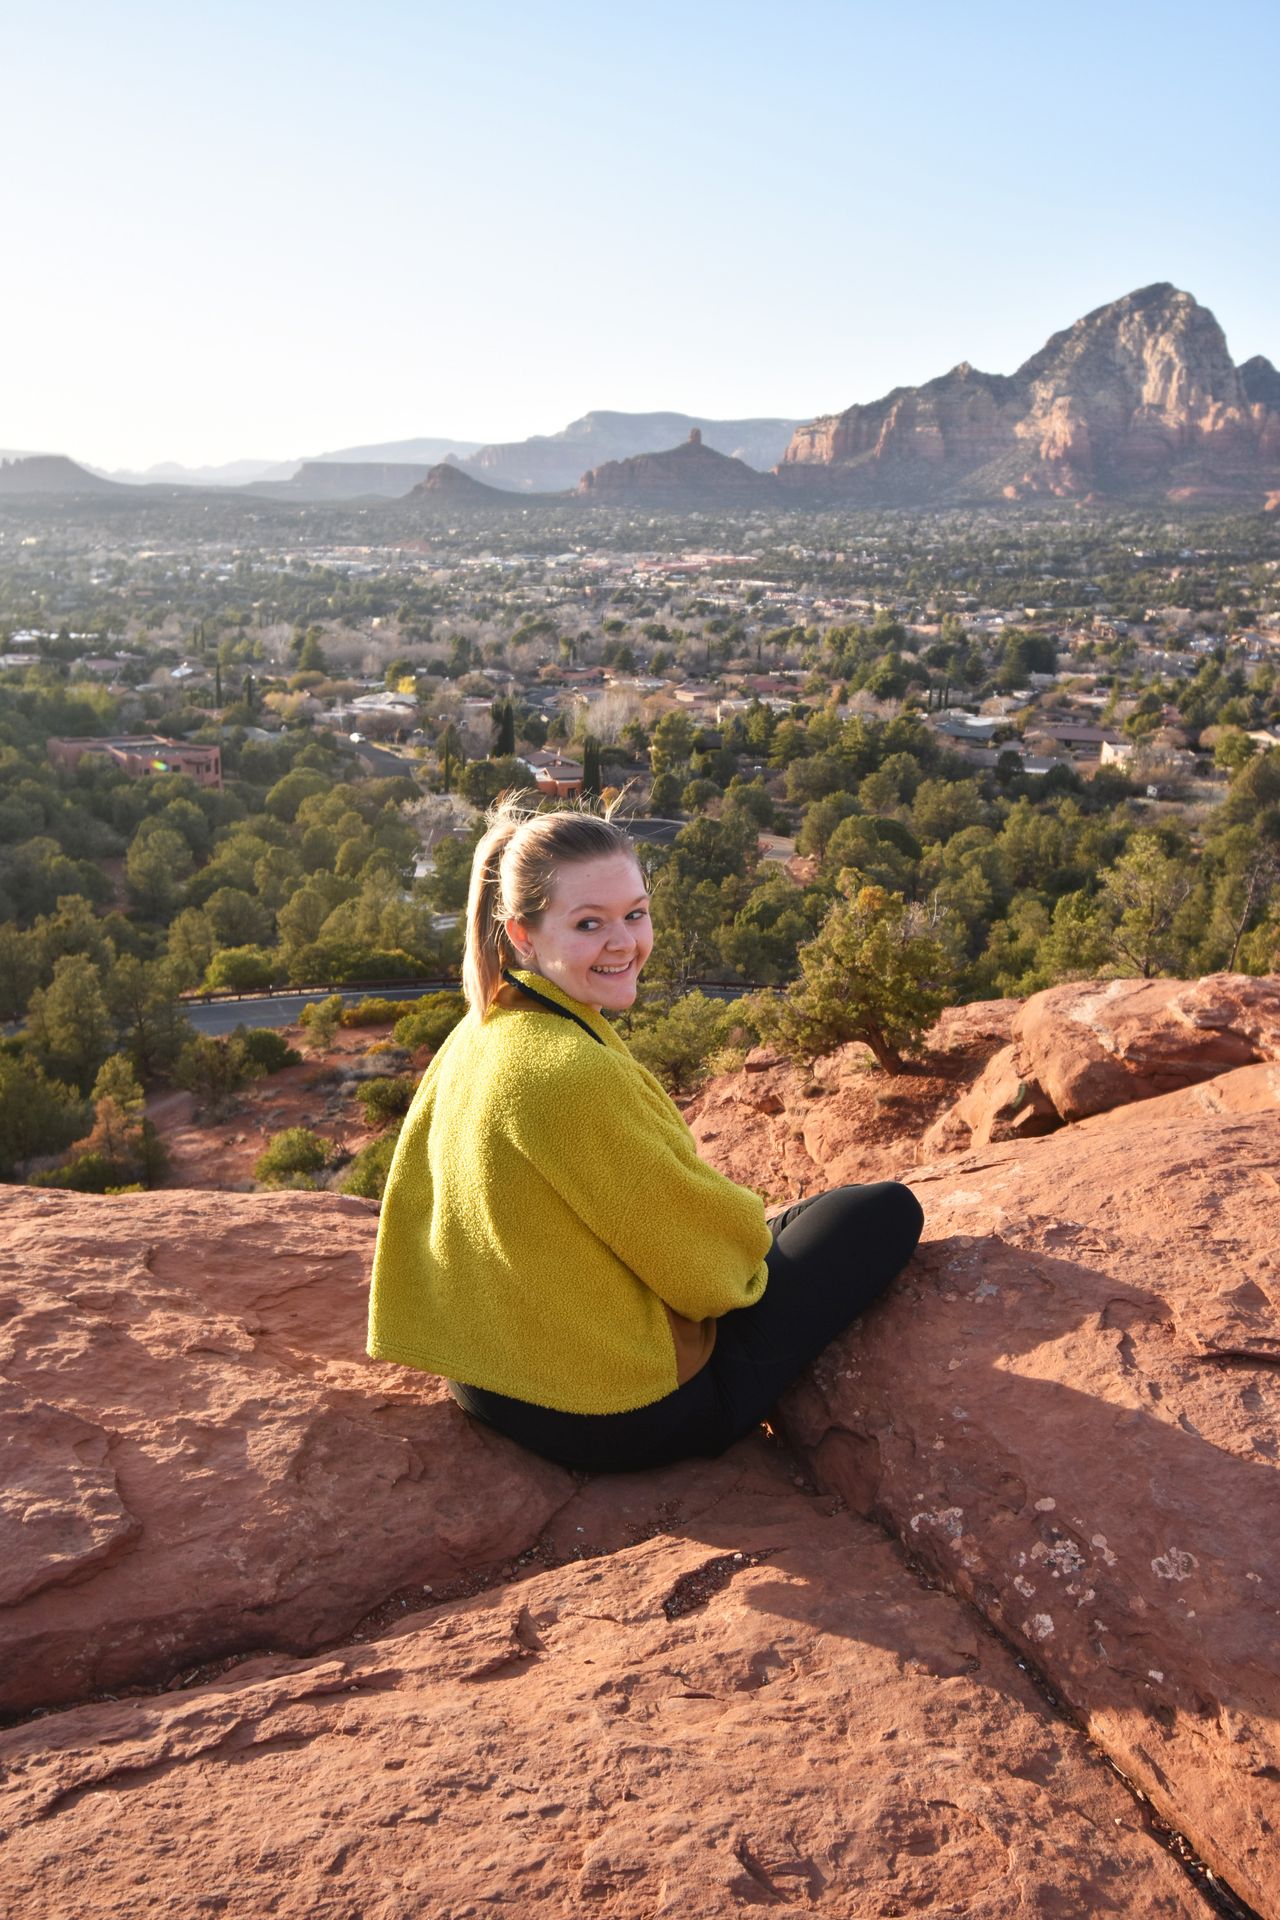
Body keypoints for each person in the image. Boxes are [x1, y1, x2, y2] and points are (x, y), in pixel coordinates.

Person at [367, 798, 923, 1473]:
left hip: (488, 1374)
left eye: (635, 914)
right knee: (879, 1212)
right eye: (589, 923)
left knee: (794, 1222)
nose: (624, 942)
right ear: (521, 934)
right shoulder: (571, 1074)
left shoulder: (484, 1029)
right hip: (612, 1414)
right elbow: (706, 1280)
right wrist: (733, 1246)